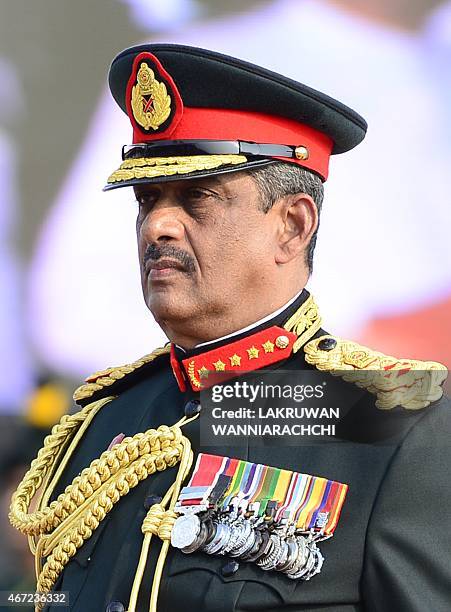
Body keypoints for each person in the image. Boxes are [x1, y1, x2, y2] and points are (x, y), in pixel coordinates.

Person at [10, 44, 450, 612]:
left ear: (292, 227)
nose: (158, 226)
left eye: (198, 198)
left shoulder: (398, 426)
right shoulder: (103, 420)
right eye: (148, 200)